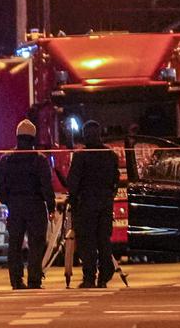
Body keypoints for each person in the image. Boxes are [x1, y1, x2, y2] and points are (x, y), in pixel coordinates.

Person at [0, 119, 56, 290]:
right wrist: (50, 206)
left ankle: (16, 280)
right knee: (36, 244)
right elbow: (46, 186)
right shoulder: (39, 160)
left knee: (14, 244)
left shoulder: (6, 159)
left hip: (15, 206)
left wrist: (8, 202)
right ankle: (34, 280)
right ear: (33, 138)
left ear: (17, 136)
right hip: (36, 205)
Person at [67, 120, 119, 288]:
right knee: (103, 240)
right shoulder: (110, 155)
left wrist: (73, 202)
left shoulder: (80, 156)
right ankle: (104, 275)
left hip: (86, 204)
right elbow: (115, 180)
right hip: (104, 203)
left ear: (84, 135)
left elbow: (73, 183)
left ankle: (89, 277)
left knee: (87, 242)